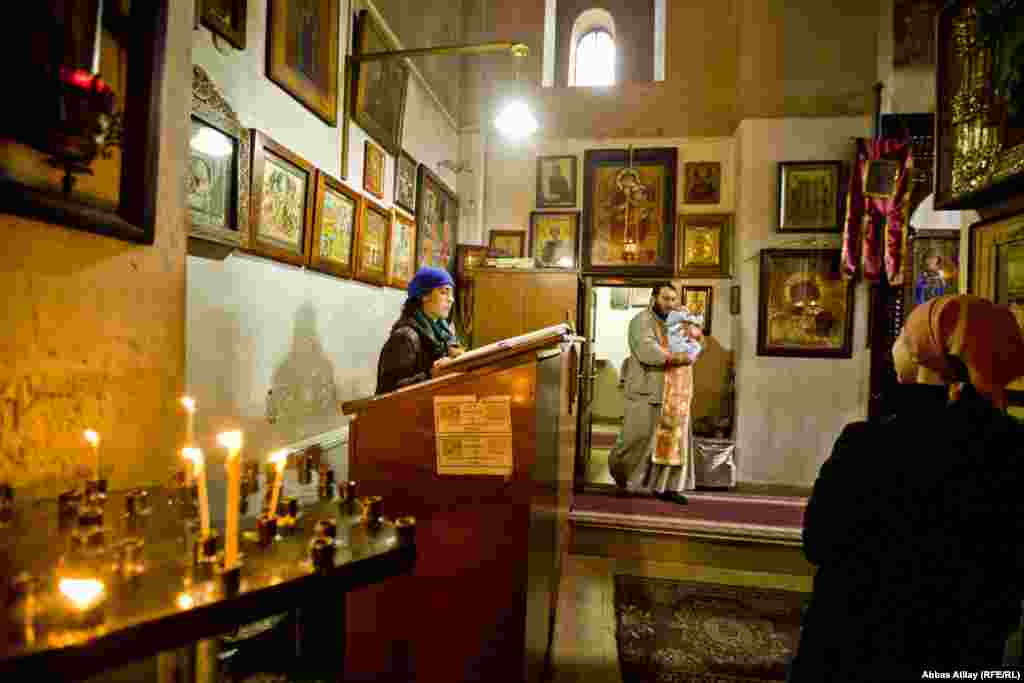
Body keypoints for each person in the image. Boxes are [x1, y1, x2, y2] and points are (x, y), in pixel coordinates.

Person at [788, 294, 1024, 682]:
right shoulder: (1013, 446)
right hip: (966, 649)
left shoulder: (870, 442)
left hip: (860, 643)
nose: (893, 345)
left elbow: (819, 541)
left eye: (902, 335)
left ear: (923, 353)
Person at [607, 283, 699, 504]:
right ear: (654, 298)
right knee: (634, 439)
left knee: (672, 442)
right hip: (645, 391)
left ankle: (665, 487)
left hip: (673, 392)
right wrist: (677, 357)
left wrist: (691, 342)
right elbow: (647, 351)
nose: (670, 304)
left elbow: (692, 344)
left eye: (673, 299)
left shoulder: (675, 323)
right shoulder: (642, 321)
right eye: (665, 299)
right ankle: (623, 479)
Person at [376, 267, 465, 394]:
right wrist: (431, 374)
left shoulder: (445, 334)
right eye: (444, 292)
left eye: (451, 294)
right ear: (425, 295)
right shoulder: (405, 337)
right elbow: (388, 390)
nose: (451, 299)